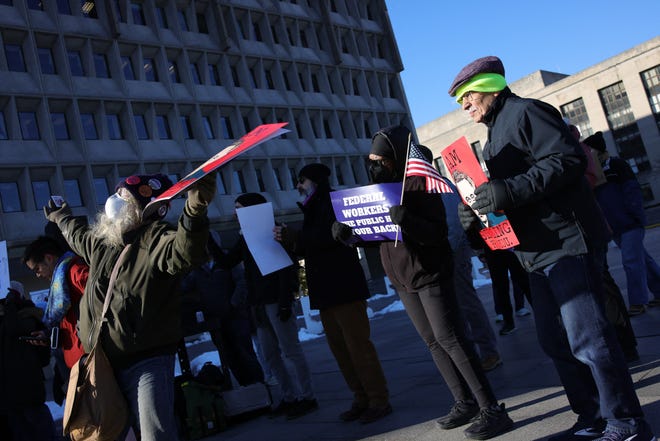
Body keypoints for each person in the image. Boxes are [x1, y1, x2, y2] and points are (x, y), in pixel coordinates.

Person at [450, 55, 654, 440]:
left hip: (567, 243)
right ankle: (591, 415)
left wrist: (506, 190)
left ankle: (626, 422)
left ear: (490, 87)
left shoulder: (528, 112)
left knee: (589, 339)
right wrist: (477, 215)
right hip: (534, 252)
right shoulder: (493, 136)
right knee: (554, 340)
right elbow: (509, 195)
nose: (464, 106)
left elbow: (567, 160)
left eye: (467, 96)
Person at [332, 127, 513, 439]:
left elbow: (435, 234)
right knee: (432, 342)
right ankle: (463, 401)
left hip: (429, 273)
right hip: (403, 278)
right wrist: (351, 237)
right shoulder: (380, 189)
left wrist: (407, 219)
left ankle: (491, 408)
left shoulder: (420, 183)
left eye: (381, 159)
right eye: (371, 159)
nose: (374, 164)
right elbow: (381, 237)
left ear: (397, 158)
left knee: (451, 339)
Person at [44, 172, 215, 441]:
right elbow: (77, 235)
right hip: (104, 363)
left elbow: (185, 251)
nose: (114, 200)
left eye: (123, 195)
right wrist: (60, 215)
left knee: (153, 435)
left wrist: (194, 209)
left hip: (146, 360)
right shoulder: (104, 243)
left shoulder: (156, 238)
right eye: (116, 193)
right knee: (108, 435)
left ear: (142, 206)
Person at [274, 164, 392, 424]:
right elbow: (312, 245)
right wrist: (292, 241)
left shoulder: (335, 201)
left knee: (358, 347)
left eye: (301, 180)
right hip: (326, 291)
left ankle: (378, 399)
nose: (298, 185)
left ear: (315, 181)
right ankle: (361, 398)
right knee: (340, 350)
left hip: (344, 287)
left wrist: (298, 237)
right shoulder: (311, 206)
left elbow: (331, 237)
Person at [215, 192, 318, 420]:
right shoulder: (246, 238)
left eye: (240, 207)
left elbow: (286, 270)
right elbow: (225, 262)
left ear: (252, 209)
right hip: (259, 304)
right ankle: (289, 396)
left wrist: (284, 302)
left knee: (291, 351)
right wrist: (206, 237)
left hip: (276, 302)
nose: (235, 213)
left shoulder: (275, 230)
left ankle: (307, 396)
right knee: (270, 355)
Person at [418, 144, 502, 371]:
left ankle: (488, 352)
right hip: (447, 253)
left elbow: (454, 225)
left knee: (466, 304)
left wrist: (448, 251)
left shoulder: (438, 186)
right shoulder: (431, 186)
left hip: (453, 253)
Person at [584, 131, 660, 316]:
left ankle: (638, 302)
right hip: (616, 226)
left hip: (629, 223)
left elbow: (632, 191)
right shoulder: (595, 175)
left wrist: (635, 217)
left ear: (600, 152)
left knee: (631, 261)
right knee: (643, 260)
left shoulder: (617, 165)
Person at [180, 234, 264, 387]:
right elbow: (184, 287)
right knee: (228, 356)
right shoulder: (197, 268)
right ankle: (246, 386)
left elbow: (242, 282)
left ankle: (259, 386)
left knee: (245, 352)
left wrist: (233, 304)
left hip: (235, 317)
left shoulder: (228, 260)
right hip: (216, 321)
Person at [23, 235, 88, 397]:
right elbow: (67, 324)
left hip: (88, 362)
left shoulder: (75, 272)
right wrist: (47, 335)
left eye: (36, 268)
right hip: (77, 363)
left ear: (49, 258)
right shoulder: (61, 280)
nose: (37, 275)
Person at [0, 282, 55, 441]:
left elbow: (14, 328)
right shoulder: (29, 316)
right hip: (18, 397)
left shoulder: (26, 317)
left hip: (26, 395)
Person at [481, 246, 532, 336]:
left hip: (509, 247)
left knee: (523, 282)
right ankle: (508, 321)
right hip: (494, 249)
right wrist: (480, 251)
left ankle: (539, 314)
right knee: (501, 287)